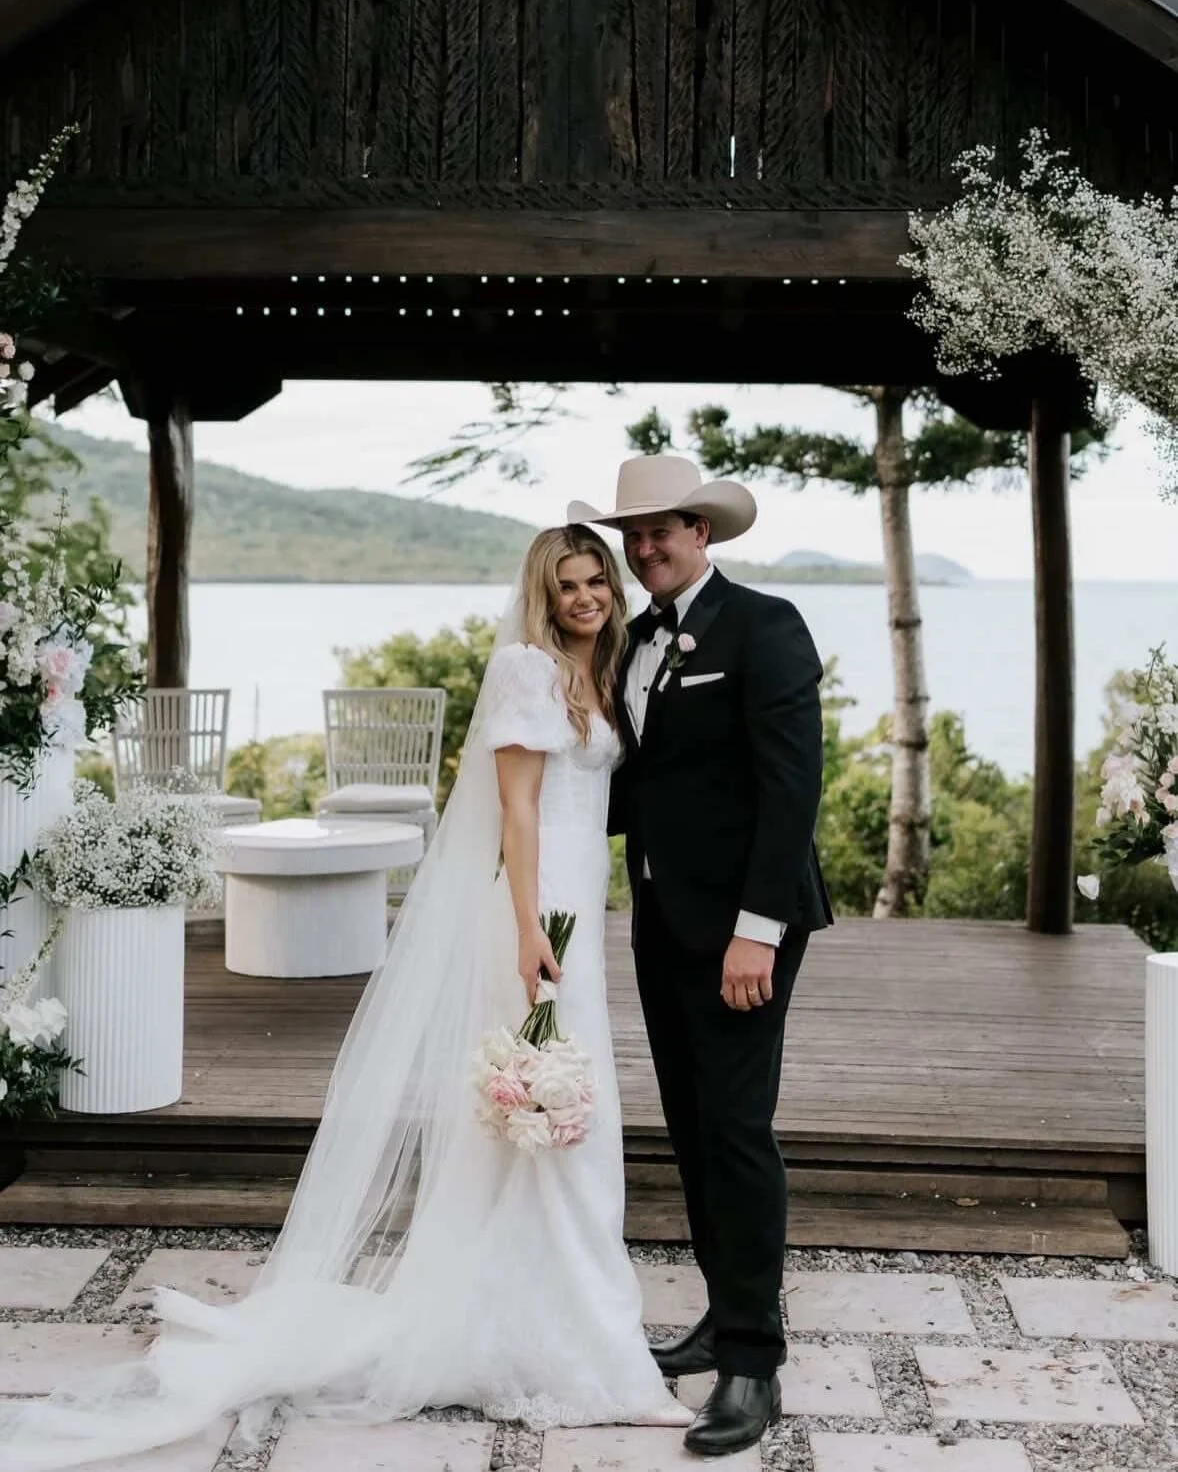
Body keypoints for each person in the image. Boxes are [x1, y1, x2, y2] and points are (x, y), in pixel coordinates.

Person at [0, 524, 690, 1472]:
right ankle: (585, 1351)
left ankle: (535, 1315)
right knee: (559, 1113)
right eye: (569, 585)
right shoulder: (529, 672)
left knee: (553, 1120)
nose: (587, 597)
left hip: (578, 911)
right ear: (543, 591)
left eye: (596, 582)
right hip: (544, 919)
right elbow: (520, 810)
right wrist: (532, 929)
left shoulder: (594, 670)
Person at [570, 455, 832, 1458]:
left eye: (662, 531)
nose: (644, 549)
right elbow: (644, 785)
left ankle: (754, 1363)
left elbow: (788, 790)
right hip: (658, 920)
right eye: (632, 535)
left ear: (701, 534)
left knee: (733, 1130)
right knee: (689, 1126)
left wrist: (754, 933)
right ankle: (724, 1313)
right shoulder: (633, 638)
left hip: (741, 930)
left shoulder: (762, 627)